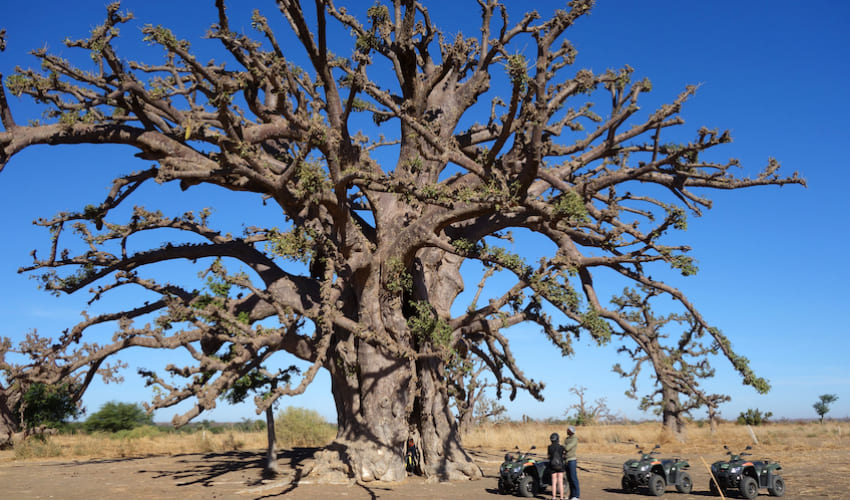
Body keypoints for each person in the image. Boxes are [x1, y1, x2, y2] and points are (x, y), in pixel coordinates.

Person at [547, 432, 566, 500]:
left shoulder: (549, 447)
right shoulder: (561, 447)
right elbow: (563, 456)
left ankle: (554, 497)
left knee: (554, 482)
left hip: (552, 466)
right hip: (560, 465)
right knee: (560, 482)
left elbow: (549, 456)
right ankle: (561, 497)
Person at [564, 426, 580, 500]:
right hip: (566, 460)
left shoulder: (574, 439)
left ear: (571, 431)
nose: (567, 431)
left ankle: (577, 496)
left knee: (574, 478)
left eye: (568, 430)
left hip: (572, 460)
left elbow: (567, 448)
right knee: (569, 479)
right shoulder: (567, 439)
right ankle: (572, 495)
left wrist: (564, 446)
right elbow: (564, 446)